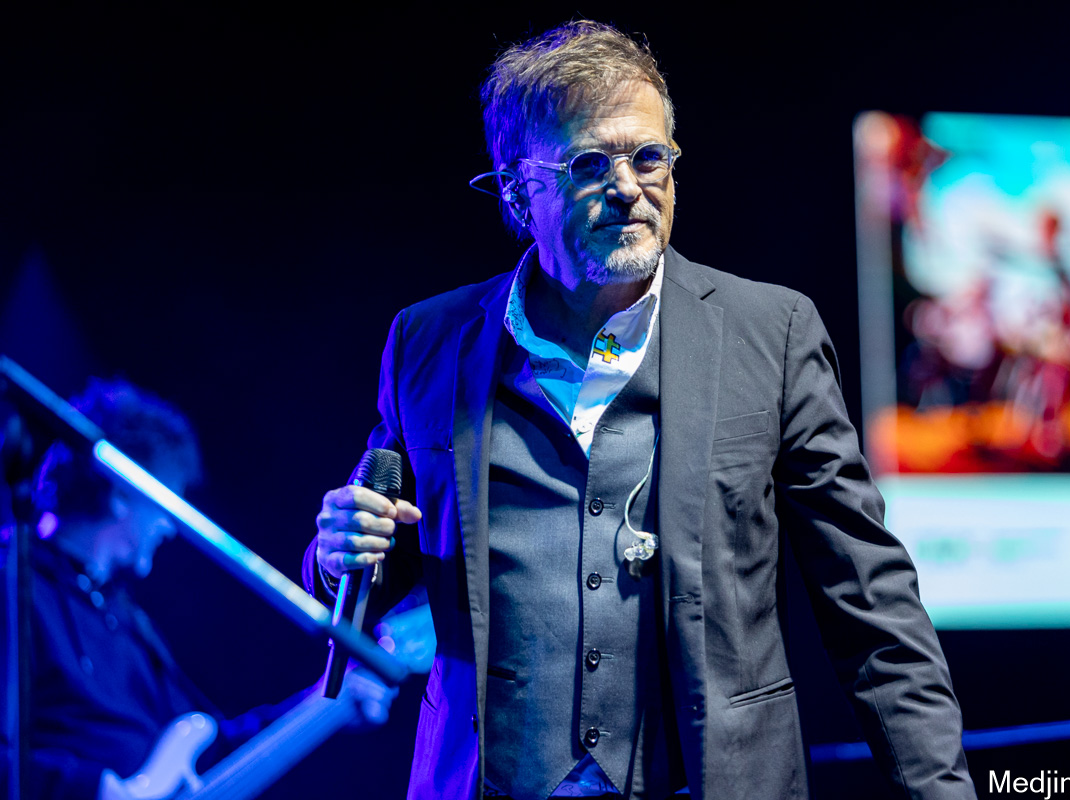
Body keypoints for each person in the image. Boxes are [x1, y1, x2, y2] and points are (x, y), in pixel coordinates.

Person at [305, 20, 976, 800]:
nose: (628, 187)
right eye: (591, 163)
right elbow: (375, 563)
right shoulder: (429, 340)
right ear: (518, 190)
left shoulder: (771, 333)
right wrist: (338, 555)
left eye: (649, 157)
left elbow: (871, 605)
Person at [0, 378, 392, 799]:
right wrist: (89, 788)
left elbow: (207, 748)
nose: (169, 526)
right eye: (164, 503)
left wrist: (321, 703)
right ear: (121, 493)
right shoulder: (14, 583)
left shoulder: (122, 618)